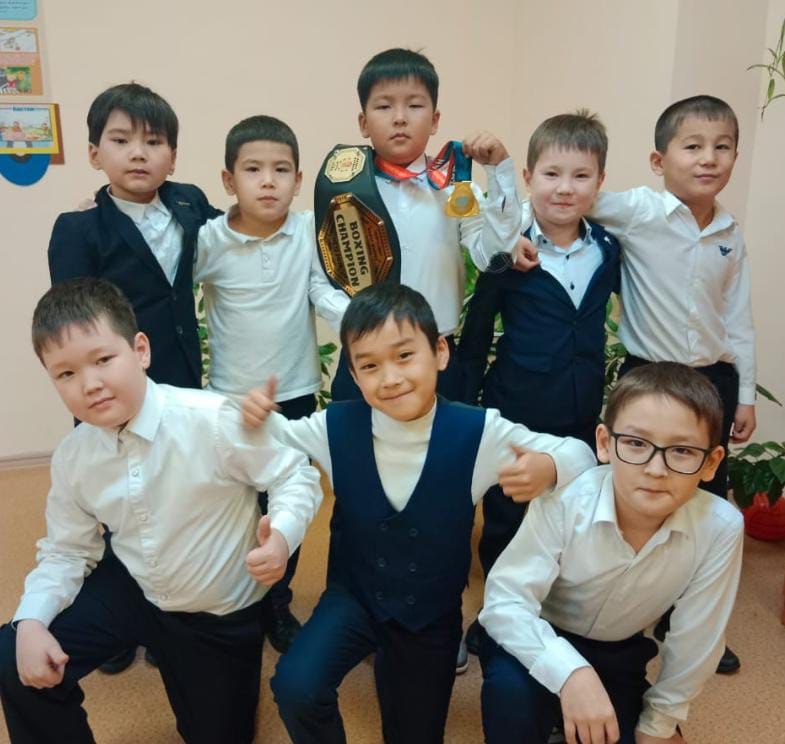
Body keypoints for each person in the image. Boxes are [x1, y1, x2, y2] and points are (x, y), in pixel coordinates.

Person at [242, 283, 596, 743]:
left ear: (440, 353)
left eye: (405, 356)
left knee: (415, 733)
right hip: (354, 598)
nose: (390, 378)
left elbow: (580, 454)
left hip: (430, 615)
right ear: (353, 374)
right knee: (296, 686)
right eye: (370, 366)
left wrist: (548, 465)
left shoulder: (480, 431)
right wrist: (252, 414)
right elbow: (271, 437)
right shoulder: (333, 426)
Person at [0, 278, 322, 744]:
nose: (90, 384)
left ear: (140, 350)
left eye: (103, 360)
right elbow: (67, 550)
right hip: (135, 585)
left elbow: (294, 474)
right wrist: (30, 621)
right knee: (14, 652)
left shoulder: (210, 419)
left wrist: (282, 535)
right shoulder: (74, 455)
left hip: (214, 611)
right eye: (65, 374)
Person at [515, 95, 755, 674]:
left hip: (713, 381)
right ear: (658, 160)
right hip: (647, 376)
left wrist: (744, 394)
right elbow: (562, 196)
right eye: (692, 146)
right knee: (633, 489)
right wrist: (510, 234)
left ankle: (684, 620)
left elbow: (738, 318)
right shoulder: (638, 210)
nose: (708, 158)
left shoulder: (730, 233)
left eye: (722, 147)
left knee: (703, 498)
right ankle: (611, 597)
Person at [47, 81, 221, 673]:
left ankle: (177, 605)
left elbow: (234, 240)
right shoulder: (79, 228)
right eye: (121, 141)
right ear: (95, 153)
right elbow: (73, 319)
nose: (139, 153)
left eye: (154, 141)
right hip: (114, 387)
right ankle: (120, 616)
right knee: (119, 496)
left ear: (173, 154)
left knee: (180, 489)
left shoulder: (191, 203)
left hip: (183, 378)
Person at [479, 362, 743, 744]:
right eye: (636, 443)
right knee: (511, 695)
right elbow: (505, 602)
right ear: (604, 443)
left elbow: (697, 639)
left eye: (682, 451)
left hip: (620, 652)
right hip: (537, 634)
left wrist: (658, 724)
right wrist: (571, 673)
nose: (656, 469)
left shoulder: (720, 527)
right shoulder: (568, 499)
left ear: (711, 463)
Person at [458, 111, 620, 655]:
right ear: (529, 177)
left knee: (570, 511)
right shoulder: (508, 252)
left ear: (599, 181)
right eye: (552, 174)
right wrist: (467, 403)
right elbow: (478, 329)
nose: (565, 188)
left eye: (580, 175)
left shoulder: (608, 248)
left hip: (580, 407)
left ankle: (552, 609)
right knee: (507, 514)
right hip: (517, 404)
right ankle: (494, 614)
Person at [194, 114, 349, 653]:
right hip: (228, 399)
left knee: (289, 502)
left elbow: (320, 289)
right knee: (232, 504)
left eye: (281, 170)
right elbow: (166, 283)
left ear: (299, 180)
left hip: (295, 395)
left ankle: (276, 602)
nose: (268, 181)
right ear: (228, 179)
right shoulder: (208, 240)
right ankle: (232, 595)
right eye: (253, 169)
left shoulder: (307, 231)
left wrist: (362, 320)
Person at [328, 47, 522, 402]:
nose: (400, 118)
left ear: (434, 120)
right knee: (353, 438)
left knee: (441, 440)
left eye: (414, 105)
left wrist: (500, 174)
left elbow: (492, 257)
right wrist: (361, 325)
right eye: (384, 106)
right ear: (363, 122)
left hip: (437, 355)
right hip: (365, 354)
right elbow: (322, 275)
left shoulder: (455, 187)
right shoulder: (343, 191)